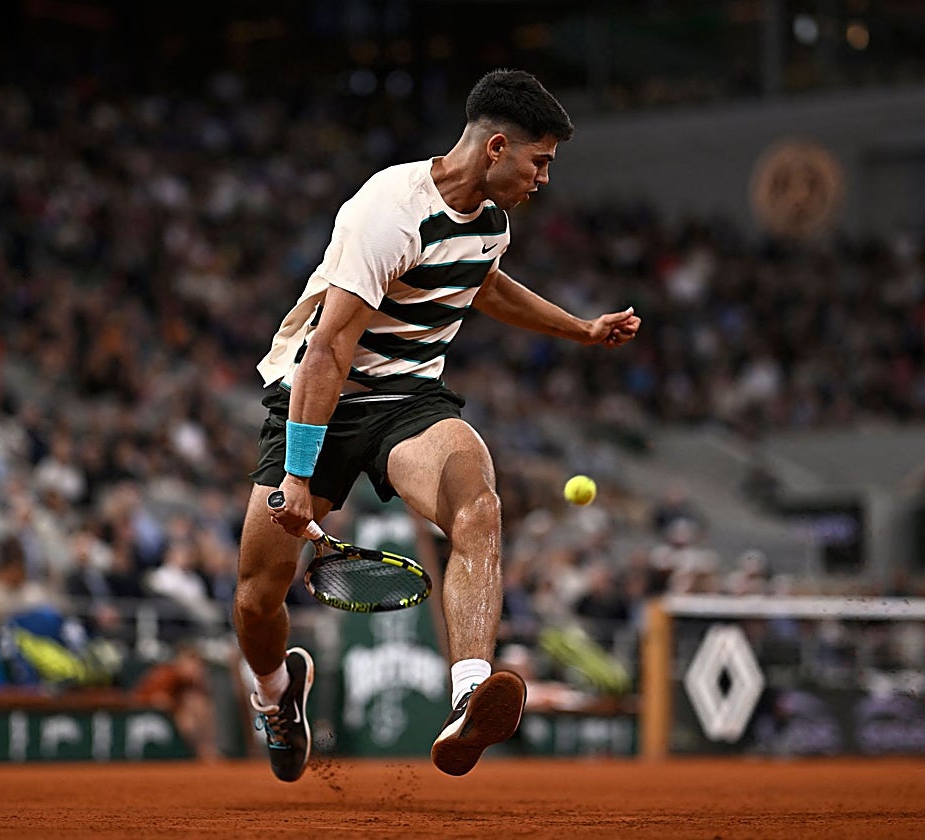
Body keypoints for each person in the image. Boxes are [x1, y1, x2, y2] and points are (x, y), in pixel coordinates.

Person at [233, 68, 641, 783]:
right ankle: (275, 694)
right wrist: (298, 475)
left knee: (478, 503)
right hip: (319, 396)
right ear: (497, 147)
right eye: (539, 160)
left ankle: (468, 693)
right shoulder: (387, 210)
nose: (544, 177)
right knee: (257, 596)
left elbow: (481, 282)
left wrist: (578, 328)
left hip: (409, 404)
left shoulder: (492, 222)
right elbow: (327, 349)